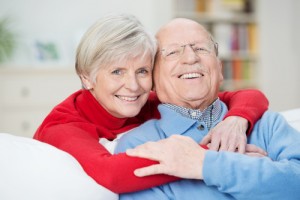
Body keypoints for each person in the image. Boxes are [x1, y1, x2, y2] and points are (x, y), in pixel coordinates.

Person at [34, 14, 269, 194]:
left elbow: (246, 96)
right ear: (87, 77)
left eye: (142, 71)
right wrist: (214, 157)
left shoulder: (146, 102)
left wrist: (236, 120)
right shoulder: (63, 126)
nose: (133, 86)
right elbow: (112, 174)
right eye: (117, 72)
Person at [115, 18, 300, 199]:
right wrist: (261, 175)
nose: (191, 58)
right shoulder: (138, 145)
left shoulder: (268, 124)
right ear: (151, 77)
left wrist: (207, 164)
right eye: (172, 52)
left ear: (219, 70)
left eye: (201, 48)